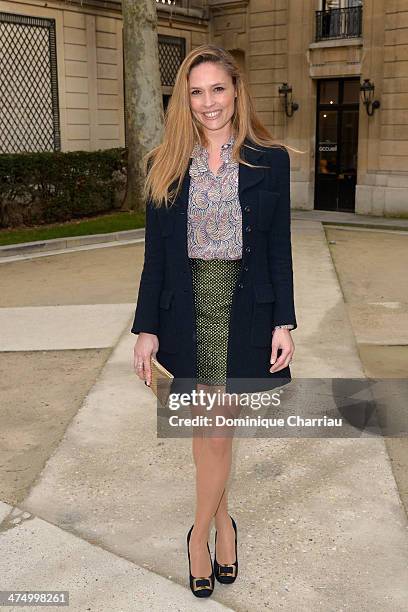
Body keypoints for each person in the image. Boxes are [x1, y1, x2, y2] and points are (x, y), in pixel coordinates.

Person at [131, 44, 297, 598]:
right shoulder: (165, 164)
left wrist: (284, 321)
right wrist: (145, 329)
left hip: (244, 307)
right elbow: (155, 257)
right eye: (196, 92)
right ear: (186, 99)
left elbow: (279, 247)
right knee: (211, 434)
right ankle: (218, 526)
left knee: (216, 434)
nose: (208, 103)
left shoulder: (270, 161)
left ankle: (200, 532)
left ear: (236, 90)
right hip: (188, 309)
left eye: (217, 89)